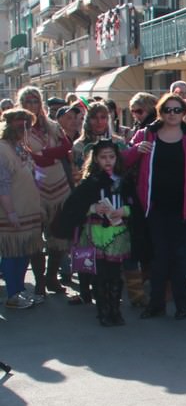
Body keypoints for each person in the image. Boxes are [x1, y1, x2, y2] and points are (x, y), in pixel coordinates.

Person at [125, 93, 186, 320]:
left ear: (184, 113)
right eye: (167, 110)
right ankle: (156, 305)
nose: (172, 114)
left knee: (180, 259)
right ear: (160, 112)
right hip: (154, 209)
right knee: (158, 259)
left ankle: (183, 306)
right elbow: (122, 161)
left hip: (183, 210)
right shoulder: (146, 135)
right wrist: (137, 150)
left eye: (177, 110)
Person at [52, 140, 136, 326]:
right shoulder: (90, 182)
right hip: (95, 234)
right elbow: (74, 206)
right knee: (100, 274)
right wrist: (92, 207)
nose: (108, 161)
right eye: (103, 157)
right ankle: (103, 311)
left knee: (115, 273)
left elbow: (134, 205)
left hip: (117, 234)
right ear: (95, 159)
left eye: (111, 157)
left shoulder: (124, 180)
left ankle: (115, 310)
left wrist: (124, 211)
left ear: (117, 158)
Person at [18, 86, 73, 298]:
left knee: (58, 234)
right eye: (28, 102)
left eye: (35, 101)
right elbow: (32, 157)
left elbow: (65, 147)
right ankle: (40, 281)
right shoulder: (16, 129)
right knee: (34, 236)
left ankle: (52, 277)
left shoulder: (51, 126)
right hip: (32, 187)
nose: (32, 105)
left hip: (58, 184)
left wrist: (43, 153)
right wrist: (45, 155)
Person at [0, 109, 44, 308]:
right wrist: (10, 213)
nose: (24, 126)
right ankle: (12, 295)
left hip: (29, 211)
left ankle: (20, 291)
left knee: (24, 251)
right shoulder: (2, 149)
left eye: (27, 123)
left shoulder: (20, 147)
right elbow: (3, 185)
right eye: (20, 122)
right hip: (13, 211)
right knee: (12, 253)